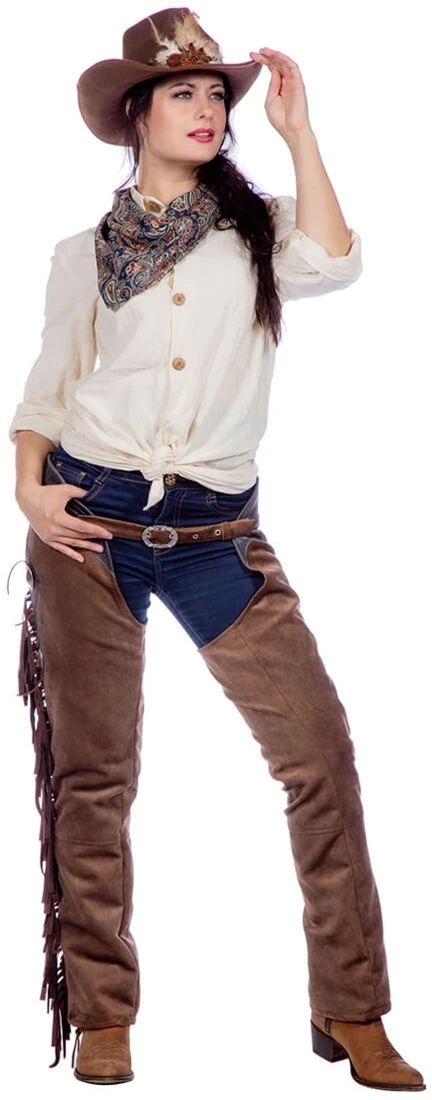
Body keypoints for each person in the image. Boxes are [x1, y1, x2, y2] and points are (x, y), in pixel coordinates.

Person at [8, 6, 425, 1091]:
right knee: (94, 777)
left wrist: (299, 130)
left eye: (213, 94)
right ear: (135, 113)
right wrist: (28, 490)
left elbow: (336, 259)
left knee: (319, 757)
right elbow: (47, 394)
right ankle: (102, 1013)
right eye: (181, 93)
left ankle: (351, 1004)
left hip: (217, 534)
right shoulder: (82, 255)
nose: (204, 109)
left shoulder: (258, 231)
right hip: (89, 523)